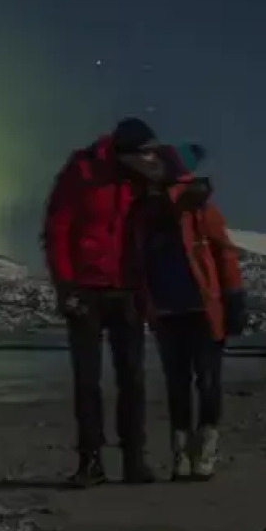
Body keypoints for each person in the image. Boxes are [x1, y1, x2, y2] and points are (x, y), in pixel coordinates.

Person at [42, 116, 167, 487]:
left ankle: (134, 460)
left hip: (128, 289)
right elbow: (57, 229)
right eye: (143, 154)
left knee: (132, 378)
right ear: (123, 151)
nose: (149, 159)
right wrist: (66, 286)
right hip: (86, 290)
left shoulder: (147, 178)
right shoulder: (81, 172)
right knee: (87, 380)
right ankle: (90, 461)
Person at [122, 151, 247, 482]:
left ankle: (203, 451)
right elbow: (138, 265)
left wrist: (234, 298)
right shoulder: (142, 215)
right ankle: (181, 455)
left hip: (202, 311)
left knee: (206, 382)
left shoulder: (198, 206)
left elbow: (224, 252)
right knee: (177, 386)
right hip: (165, 313)